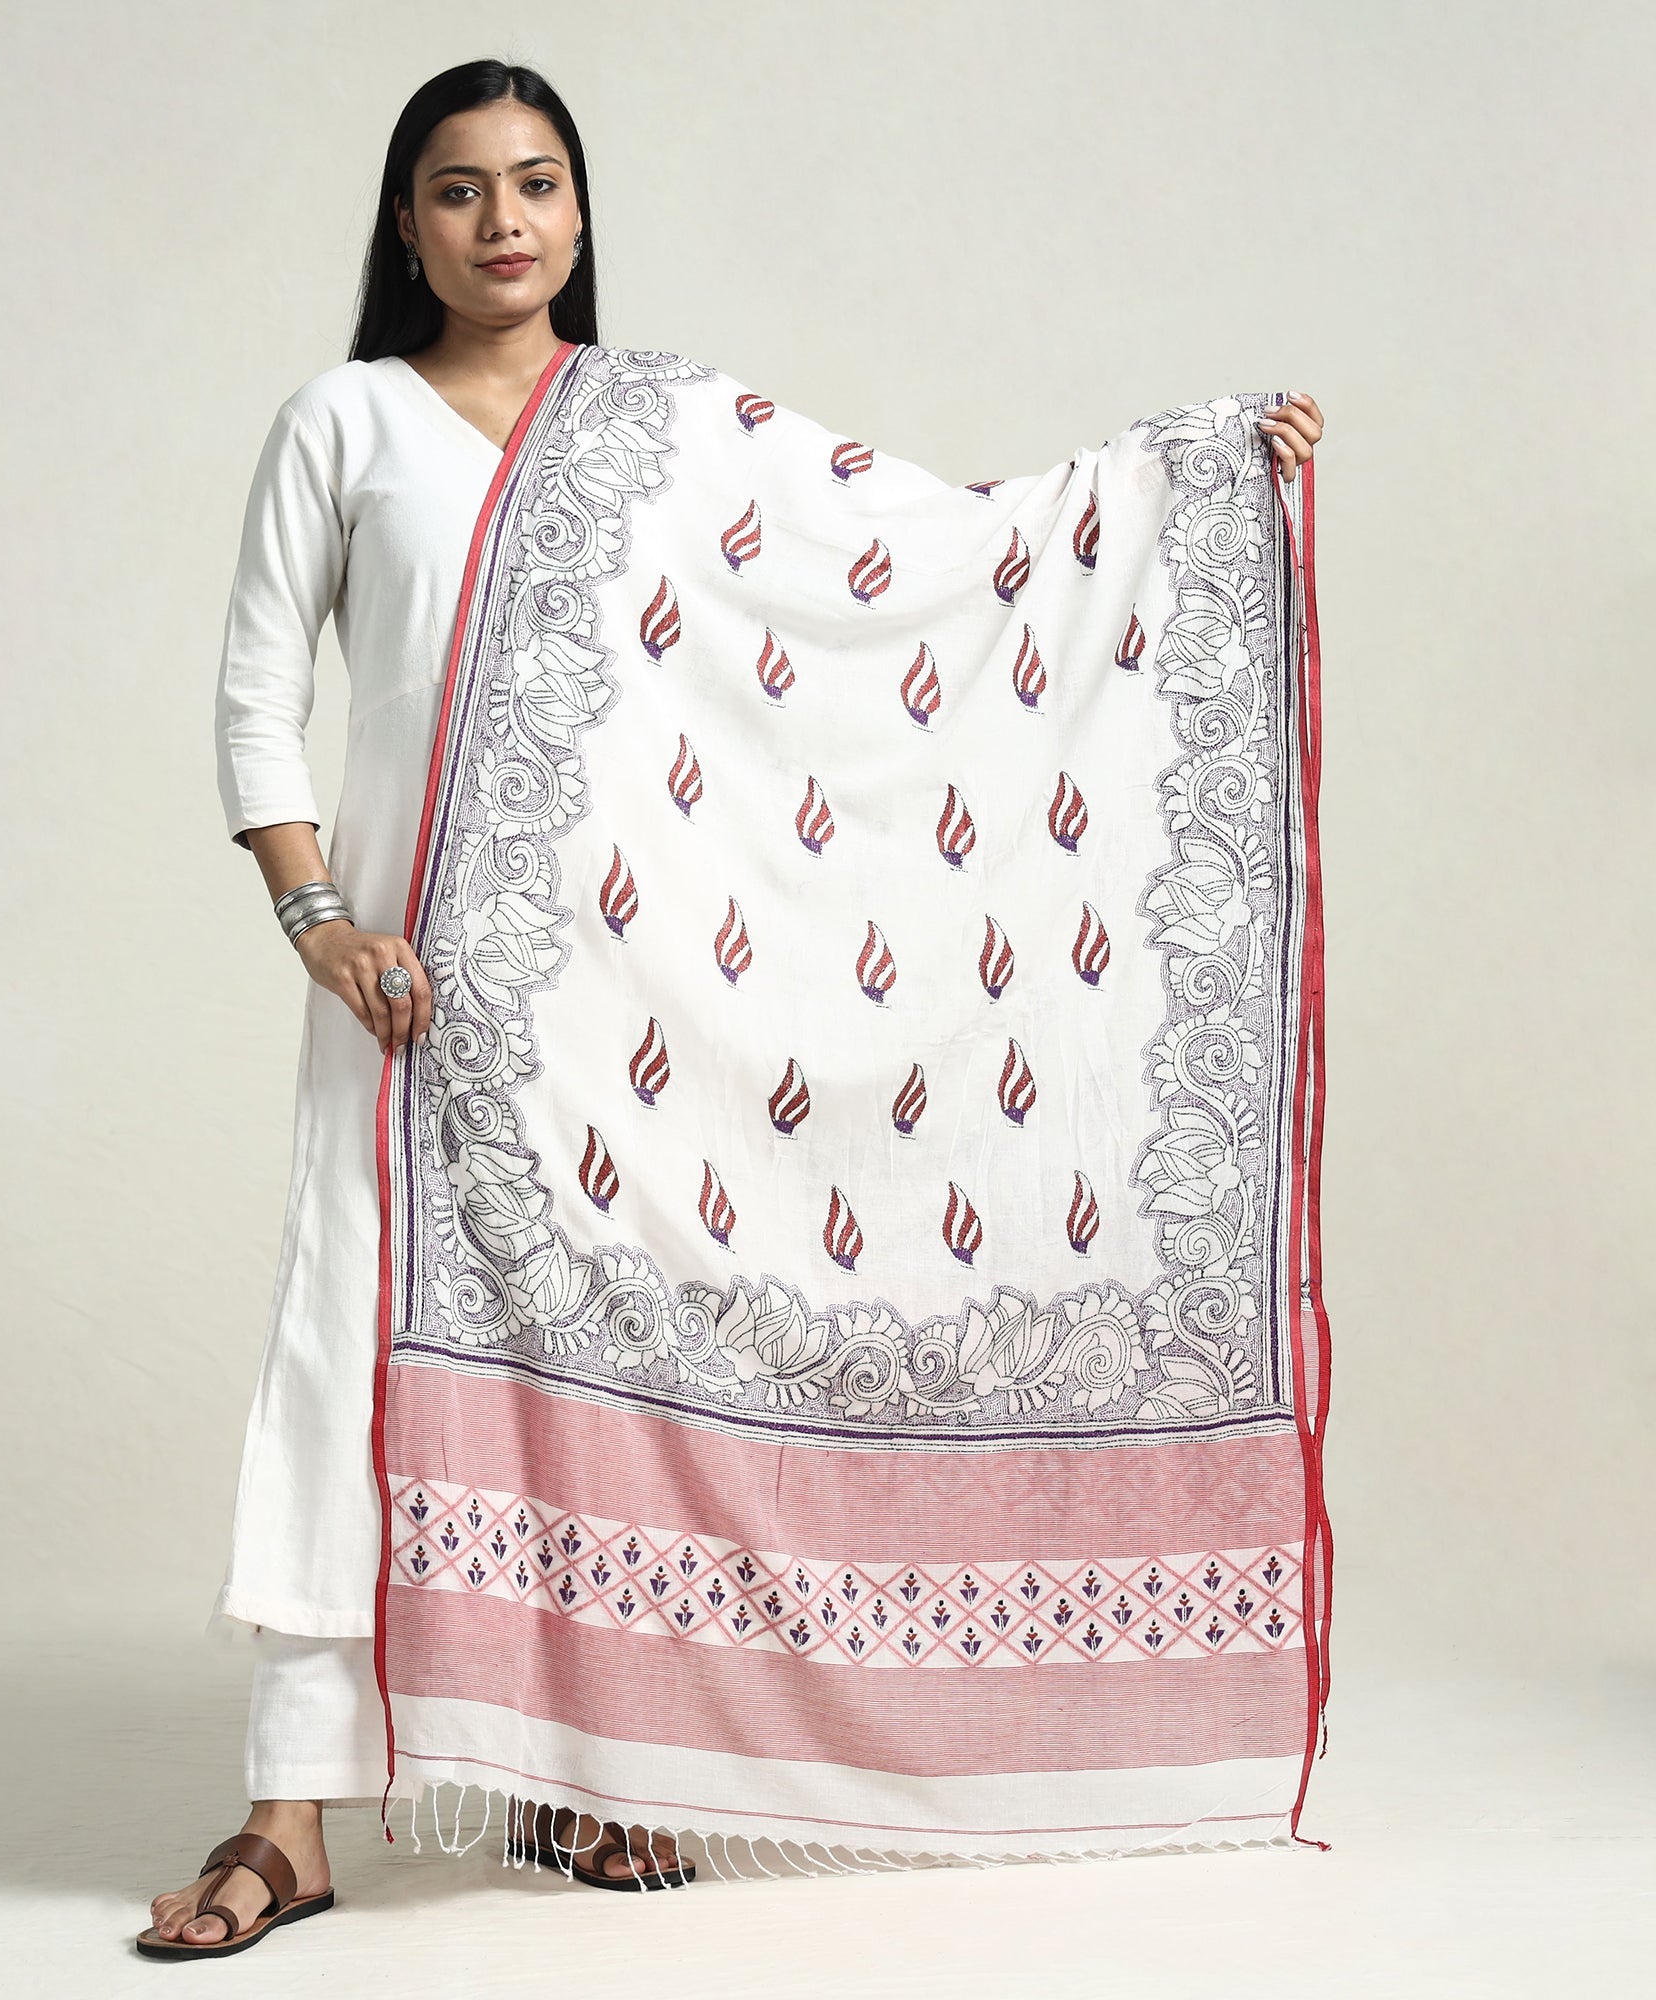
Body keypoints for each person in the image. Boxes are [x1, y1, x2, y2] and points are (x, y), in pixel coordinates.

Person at [139, 56, 1325, 1960]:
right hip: (410, 989)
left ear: (580, 211)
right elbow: (255, 689)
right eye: (460, 189)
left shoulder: (664, 430)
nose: (504, 221)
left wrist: (1179, 476)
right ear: (406, 225)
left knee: (614, 1355)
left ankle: (588, 1773)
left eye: (538, 182)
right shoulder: (344, 420)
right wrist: (317, 921)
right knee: (348, 1348)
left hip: (627, 999)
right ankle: (292, 1816)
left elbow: (919, 545)